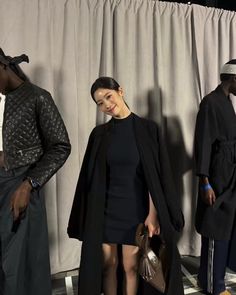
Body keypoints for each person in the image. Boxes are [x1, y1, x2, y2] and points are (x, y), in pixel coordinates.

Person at [68, 77, 184, 295]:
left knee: (130, 267)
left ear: (120, 91)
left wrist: (153, 214)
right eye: (99, 103)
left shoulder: (148, 130)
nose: (106, 105)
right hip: (105, 211)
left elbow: (155, 179)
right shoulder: (99, 134)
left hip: (135, 211)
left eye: (108, 97)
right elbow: (90, 179)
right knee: (108, 265)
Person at [0, 48, 71, 295]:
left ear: (2, 65)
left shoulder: (36, 97)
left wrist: (29, 184)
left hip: (19, 185)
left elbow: (61, 146)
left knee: (19, 264)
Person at [194, 59, 236, 295]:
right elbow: (203, 144)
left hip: (230, 175)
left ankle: (208, 279)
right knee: (215, 229)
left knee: (225, 228)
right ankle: (214, 287)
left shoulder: (227, 102)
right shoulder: (211, 102)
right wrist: (205, 181)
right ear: (234, 79)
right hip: (216, 177)